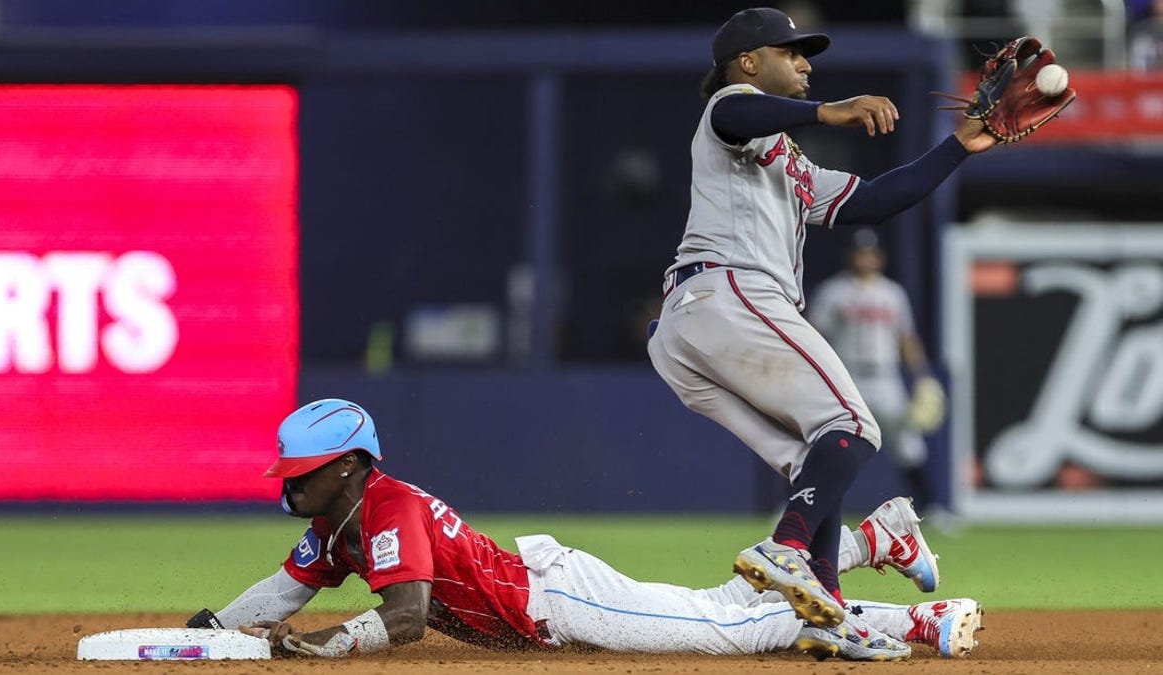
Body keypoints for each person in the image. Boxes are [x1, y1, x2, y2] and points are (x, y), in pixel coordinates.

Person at [645, 6, 1003, 632]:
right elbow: (734, 112)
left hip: (688, 330)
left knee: (815, 459)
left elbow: (870, 201)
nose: (806, 64)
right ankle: (784, 548)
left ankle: (826, 608)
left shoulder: (791, 160)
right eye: (792, 53)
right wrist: (829, 109)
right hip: (731, 290)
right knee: (856, 426)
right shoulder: (732, 110)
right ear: (750, 62)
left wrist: (958, 147)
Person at [187, 398, 982, 661]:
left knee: (730, 631)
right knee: (721, 604)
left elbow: (402, 619)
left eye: (306, 470)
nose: (290, 482)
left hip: (559, 600)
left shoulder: (387, 504)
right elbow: (285, 586)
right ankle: (881, 549)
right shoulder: (339, 519)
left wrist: (322, 648)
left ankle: (880, 589)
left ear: (352, 464)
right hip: (538, 598)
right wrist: (220, 625)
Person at [806, 228, 949, 519]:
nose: (865, 258)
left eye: (870, 253)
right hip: (847, 377)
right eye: (860, 252)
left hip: (886, 377)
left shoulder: (892, 293)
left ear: (880, 258)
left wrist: (922, 375)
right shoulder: (833, 292)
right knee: (826, 441)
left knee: (908, 444)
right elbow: (815, 336)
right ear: (851, 256)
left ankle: (932, 507)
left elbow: (906, 338)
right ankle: (799, 503)